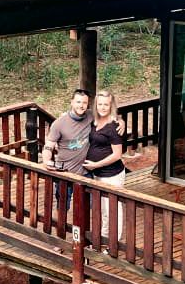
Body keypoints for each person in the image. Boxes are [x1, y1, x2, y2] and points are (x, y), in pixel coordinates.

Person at [83, 89, 126, 244]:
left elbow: (117, 155)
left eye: (106, 105)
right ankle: (103, 239)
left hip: (112, 175)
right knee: (103, 211)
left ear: (111, 106)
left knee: (113, 210)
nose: (102, 107)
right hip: (98, 175)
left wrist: (96, 165)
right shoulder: (93, 120)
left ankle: (113, 243)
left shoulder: (114, 126)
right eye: (100, 104)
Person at [42, 88, 93, 175]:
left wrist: (120, 120)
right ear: (72, 102)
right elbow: (48, 146)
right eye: (78, 102)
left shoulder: (90, 115)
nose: (81, 105)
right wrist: (46, 161)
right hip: (65, 174)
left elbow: (108, 115)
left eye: (84, 103)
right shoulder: (59, 123)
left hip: (86, 173)